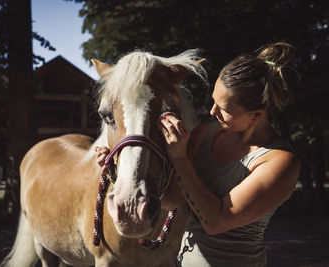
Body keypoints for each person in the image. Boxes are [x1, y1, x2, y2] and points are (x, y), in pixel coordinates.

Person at [95, 42, 300, 266]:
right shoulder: (204, 134)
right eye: (213, 101)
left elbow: (215, 221)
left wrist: (180, 158)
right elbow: (171, 200)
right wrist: (121, 172)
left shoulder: (280, 161)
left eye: (224, 109)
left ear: (257, 115)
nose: (212, 112)